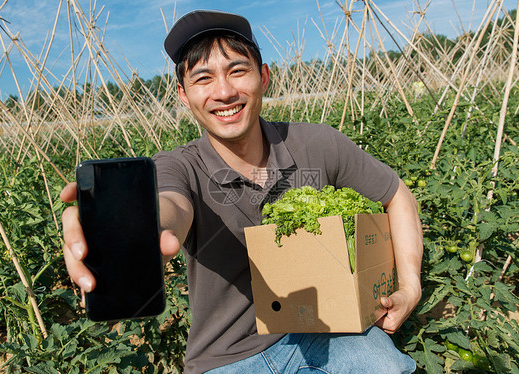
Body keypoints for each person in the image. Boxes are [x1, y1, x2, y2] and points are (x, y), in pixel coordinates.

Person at [61, 9, 423, 374]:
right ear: (183, 95)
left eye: (237, 70)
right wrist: (138, 227)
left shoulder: (317, 144)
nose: (224, 91)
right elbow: (170, 206)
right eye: (203, 78)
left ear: (263, 77)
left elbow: (396, 194)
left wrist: (410, 287)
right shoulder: (181, 167)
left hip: (324, 329)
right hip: (227, 358)